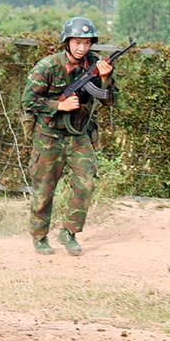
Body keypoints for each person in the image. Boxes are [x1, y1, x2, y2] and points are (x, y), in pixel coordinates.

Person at [22, 17, 115, 257]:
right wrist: (58, 106)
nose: (81, 48)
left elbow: (110, 99)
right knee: (44, 188)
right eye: (77, 42)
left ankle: (69, 232)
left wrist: (105, 79)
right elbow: (28, 101)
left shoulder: (95, 64)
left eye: (86, 43)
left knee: (86, 182)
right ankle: (40, 236)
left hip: (78, 134)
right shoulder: (48, 66)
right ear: (67, 42)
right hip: (48, 135)